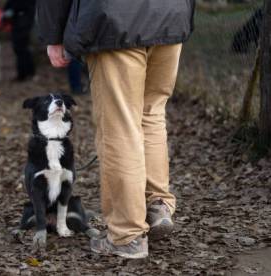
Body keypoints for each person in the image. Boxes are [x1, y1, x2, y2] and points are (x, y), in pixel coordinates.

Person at [37, 0, 195, 259]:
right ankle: (157, 205)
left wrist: (53, 35)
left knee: (120, 126)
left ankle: (126, 235)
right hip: (170, 13)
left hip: (114, 18)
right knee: (151, 114)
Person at [3, 0, 36, 82]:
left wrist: (9, 13)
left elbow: (17, 5)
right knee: (20, 49)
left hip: (23, 22)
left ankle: (26, 74)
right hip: (19, 21)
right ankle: (25, 73)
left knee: (22, 48)